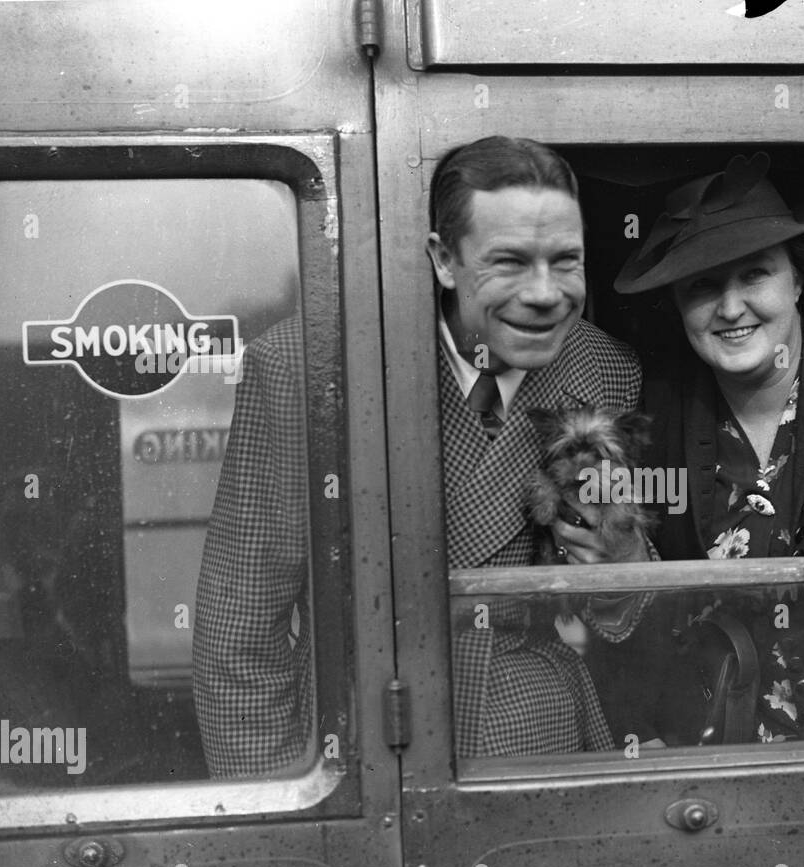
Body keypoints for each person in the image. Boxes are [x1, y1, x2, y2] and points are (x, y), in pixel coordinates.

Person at [194, 136, 649, 777]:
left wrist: (626, 563)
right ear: (443, 259)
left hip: (540, 742)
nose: (546, 293)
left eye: (565, 261)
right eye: (510, 262)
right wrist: (284, 821)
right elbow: (238, 636)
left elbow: (622, 616)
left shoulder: (604, 369)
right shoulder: (305, 366)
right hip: (368, 751)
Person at [603, 151, 804, 745]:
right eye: (702, 285)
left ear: (799, 277)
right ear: (675, 302)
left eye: (754, 274)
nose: (729, 307)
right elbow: (634, 620)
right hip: (708, 762)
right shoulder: (655, 409)